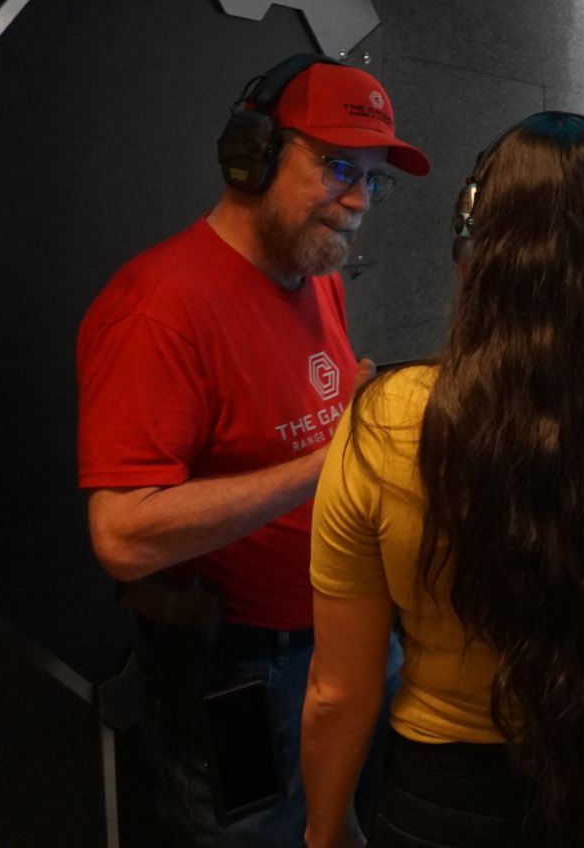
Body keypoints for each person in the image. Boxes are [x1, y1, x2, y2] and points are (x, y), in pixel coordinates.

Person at [300, 112, 584, 848]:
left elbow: (338, 691)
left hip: (448, 797)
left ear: (472, 246)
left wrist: (324, 833)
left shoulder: (384, 419)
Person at [78, 54, 430, 843]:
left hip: (348, 637)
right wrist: (330, 461)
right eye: (338, 167)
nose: (358, 200)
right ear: (254, 153)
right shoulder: (159, 308)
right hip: (240, 671)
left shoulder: (317, 276)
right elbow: (122, 537)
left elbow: (298, 418)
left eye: (373, 180)